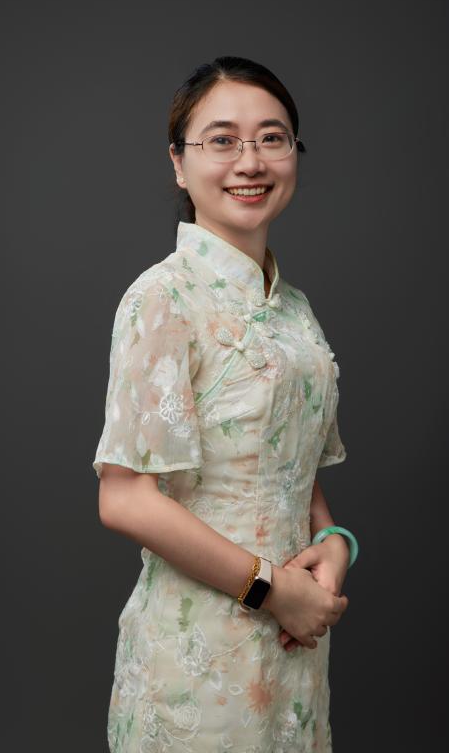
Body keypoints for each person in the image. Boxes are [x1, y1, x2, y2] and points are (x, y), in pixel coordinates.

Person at [93, 55, 356, 753]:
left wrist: (335, 543)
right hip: (200, 651)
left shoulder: (295, 308)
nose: (251, 161)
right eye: (222, 140)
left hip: (296, 643)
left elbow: (287, 466)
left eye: (272, 138)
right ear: (179, 163)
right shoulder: (163, 297)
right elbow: (125, 498)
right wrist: (272, 590)